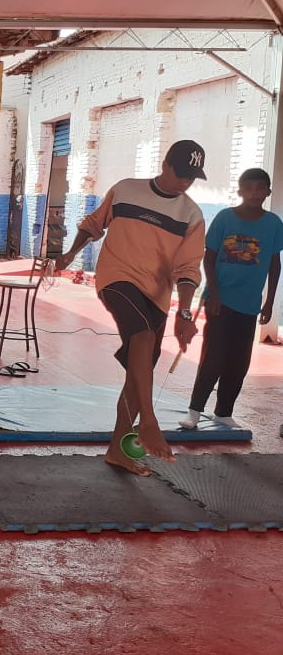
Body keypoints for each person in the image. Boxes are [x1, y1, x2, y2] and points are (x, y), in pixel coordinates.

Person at [56, 140, 207, 476]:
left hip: (157, 296)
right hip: (116, 278)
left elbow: (188, 268)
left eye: (192, 177)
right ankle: (149, 422)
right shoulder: (126, 190)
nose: (185, 182)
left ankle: (117, 450)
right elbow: (94, 224)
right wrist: (70, 253)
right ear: (166, 165)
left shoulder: (192, 215)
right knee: (142, 336)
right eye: (181, 174)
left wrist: (184, 313)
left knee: (141, 374)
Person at [179, 168, 283, 430]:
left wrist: (269, 301)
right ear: (240, 191)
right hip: (220, 302)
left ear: (268, 192)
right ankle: (194, 411)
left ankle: (223, 412)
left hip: (249, 305)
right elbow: (209, 258)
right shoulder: (225, 218)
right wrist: (214, 293)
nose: (255, 193)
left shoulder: (273, 224)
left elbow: (274, 264)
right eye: (250, 188)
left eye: (260, 188)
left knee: (239, 361)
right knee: (213, 357)